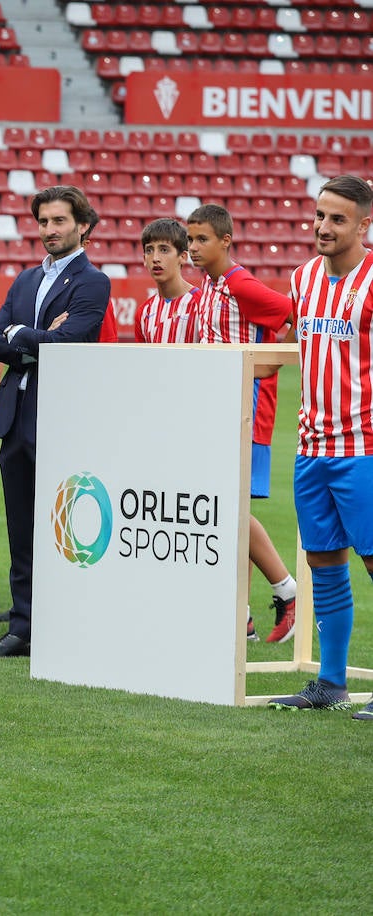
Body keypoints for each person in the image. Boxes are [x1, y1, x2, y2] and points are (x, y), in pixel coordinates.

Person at [0, 186, 111, 658]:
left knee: (64, 527)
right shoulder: (26, 279)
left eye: (59, 221)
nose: (49, 230)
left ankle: (65, 623)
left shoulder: (92, 282)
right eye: (43, 221)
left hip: (62, 414)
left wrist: (22, 339)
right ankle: (23, 627)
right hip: (16, 416)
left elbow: (72, 340)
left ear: (83, 227)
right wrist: (34, 339)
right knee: (21, 526)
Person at [269, 174, 373, 716]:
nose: (323, 227)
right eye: (319, 216)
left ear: (363, 223)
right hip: (311, 449)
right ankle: (331, 684)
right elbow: (287, 346)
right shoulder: (303, 277)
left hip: (364, 448)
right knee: (324, 563)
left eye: (337, 218)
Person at [187, 203, 299, 642]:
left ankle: (287, 594)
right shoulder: (212, 284)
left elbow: (295, 314)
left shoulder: (240, 284)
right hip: (215, 408)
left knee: (231, 511)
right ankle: (243, 618)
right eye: (190, 240)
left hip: (244, 410)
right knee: (221, 511)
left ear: (226, 241)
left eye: (202, 240)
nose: (193, 248)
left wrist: (268, 366)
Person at [135, 218, 201, 345]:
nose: (155, 258)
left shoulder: (202, 305)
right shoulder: (144, 312)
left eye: (164, 250)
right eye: (149, 250)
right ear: (144, 259)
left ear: (183, 257)